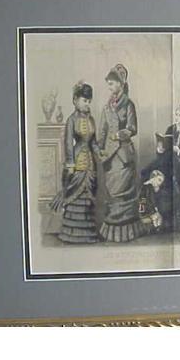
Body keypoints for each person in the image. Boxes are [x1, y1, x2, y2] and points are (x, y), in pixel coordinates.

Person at [97, 63, 148, 242]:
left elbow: (133, 128)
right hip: (110, 156)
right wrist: (99, 149)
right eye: (108, 84)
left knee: (125, 192)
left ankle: (128, 232)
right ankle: (112, 232)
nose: (109, 87)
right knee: (112, 192)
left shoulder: (129, 104)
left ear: (121, 84)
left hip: (124, 155)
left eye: (112, 83)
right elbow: (102, 131)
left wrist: (119, 135)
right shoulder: (106, 107)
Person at [49, 81, 100, 243]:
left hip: (90, 163)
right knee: (75, 196)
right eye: (84, 100)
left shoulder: (92, 120)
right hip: (77, 161)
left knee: (88, 197)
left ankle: (87, 234)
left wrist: (100, 152)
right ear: (75, 100)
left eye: (89, 101)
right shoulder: (71, 120)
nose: (87, 104)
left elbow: (94, 142)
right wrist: (70, 164)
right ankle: (72, 234)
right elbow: (68, 144)